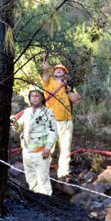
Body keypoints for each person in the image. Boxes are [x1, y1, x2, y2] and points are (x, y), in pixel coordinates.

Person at [42, 52, 81, 180]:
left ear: (65, 73)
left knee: (65, 149)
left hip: (66, 122)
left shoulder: (69, 87)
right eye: (57, 69)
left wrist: (68, 88)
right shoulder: (49, 82)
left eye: (61, 70)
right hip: (51, 121)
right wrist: (45, 58)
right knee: (48, 148)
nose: (58, 70)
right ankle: (42, 173)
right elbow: (46, 70)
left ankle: (63, 174)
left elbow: (76, 101)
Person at [15, 90, 58, 195]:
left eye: (37, 96)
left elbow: (53, 132)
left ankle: (46, 202)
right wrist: (14, 123)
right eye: (32, 96)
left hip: (41, 152)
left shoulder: (48, 113)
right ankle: (36, 202)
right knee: (31, 178)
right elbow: (19, 127)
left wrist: (48, 148)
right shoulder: (26, 112)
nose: (34, 98)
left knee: (43, 179)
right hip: (27, 151)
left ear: (42, 98)